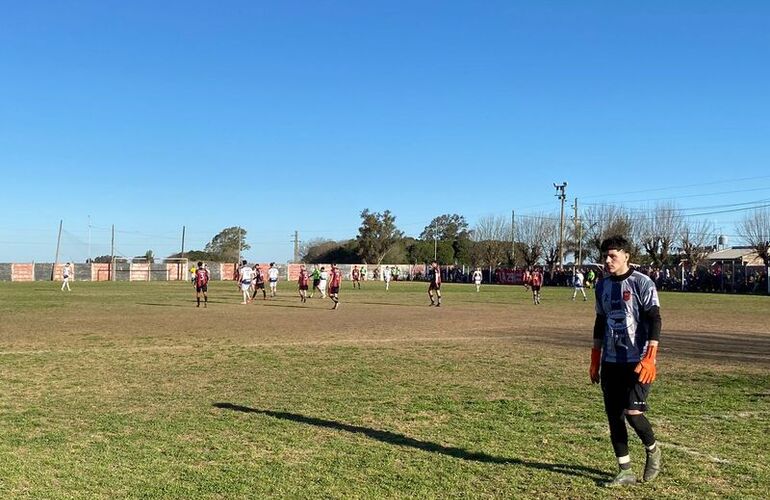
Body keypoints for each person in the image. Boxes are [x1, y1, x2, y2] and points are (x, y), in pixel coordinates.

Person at [591, 235, 662, 487]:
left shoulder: (642, 283)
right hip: (611, 361)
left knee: (633, 413)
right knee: (614, 417)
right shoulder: (601, 286)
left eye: (613, 256)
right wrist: (595, 358)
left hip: (638, 361)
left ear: (626, 256)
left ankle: (652, 450)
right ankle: (625, 471)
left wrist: (650, 357)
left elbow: (655, 319)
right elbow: (600, 321)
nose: (608, 261)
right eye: (605, 256)